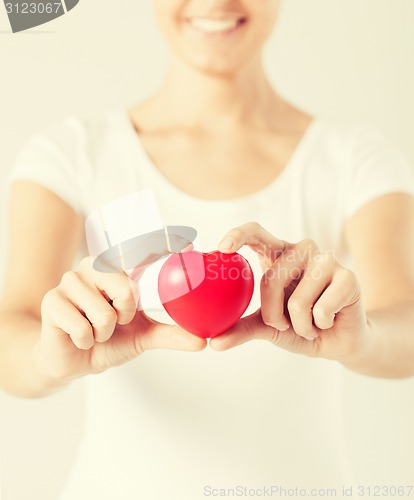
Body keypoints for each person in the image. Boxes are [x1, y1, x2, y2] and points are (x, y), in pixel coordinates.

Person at [1, 1, 414, 498]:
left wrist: (363, 338)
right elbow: (11, 336)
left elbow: (405, 324)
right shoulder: (71, 155)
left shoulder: (354, 160)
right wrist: (50, 355)